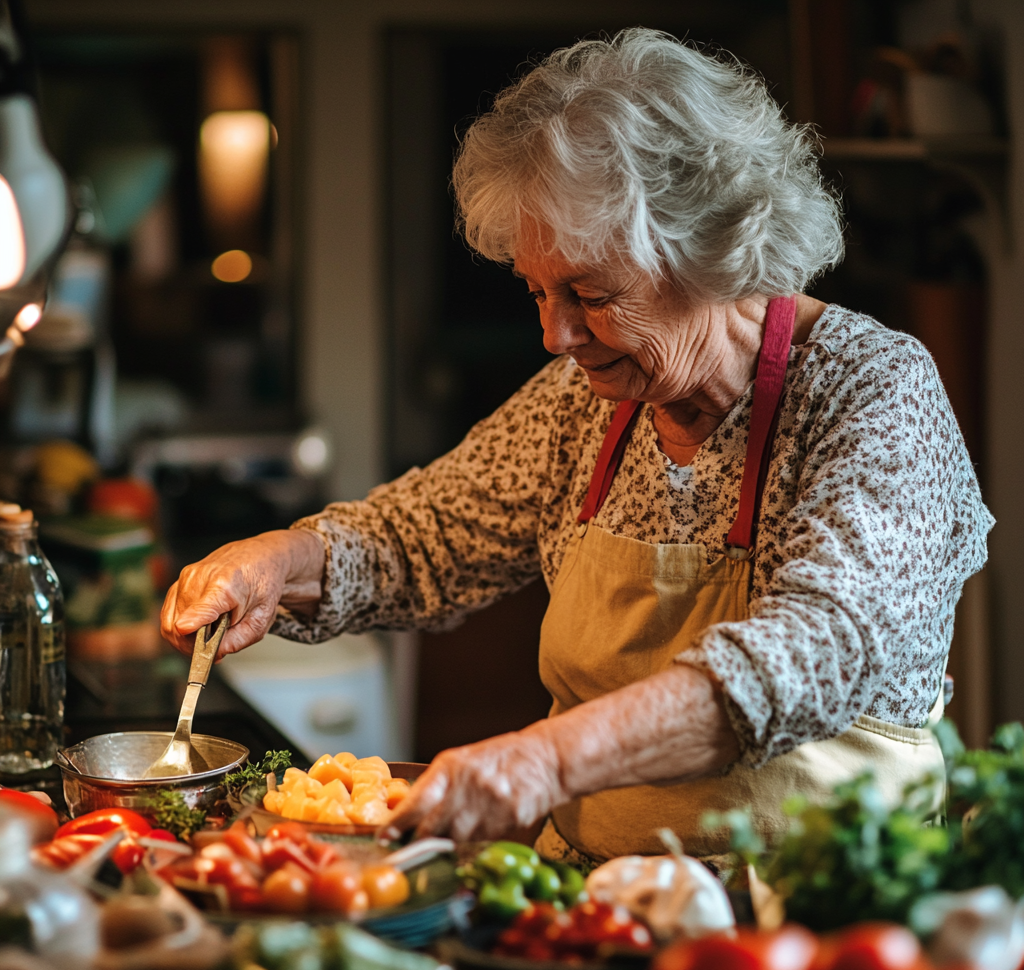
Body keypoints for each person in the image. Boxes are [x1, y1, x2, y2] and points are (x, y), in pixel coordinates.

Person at [161, 29, 993, 864]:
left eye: (590, 294)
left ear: (711, 256)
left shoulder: (872, 391)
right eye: (536, 290)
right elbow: (420, 539)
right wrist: (278, 559)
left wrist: (546, 758)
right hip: (592, 910)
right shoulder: (586, 403)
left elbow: (813, 655)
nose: (555, 335)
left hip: (810, 931)